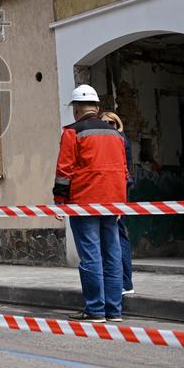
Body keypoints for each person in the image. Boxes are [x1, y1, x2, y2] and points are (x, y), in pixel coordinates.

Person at [53, 85, 129, 323]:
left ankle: (95, 309)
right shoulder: (116, 134)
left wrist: (59, 202)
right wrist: (121, 203)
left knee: (91, 256)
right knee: (112, 255)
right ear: (96, 108)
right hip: (112, 201)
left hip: (84, 202)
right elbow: (123, 171)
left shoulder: (72, 133)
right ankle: (114, 310)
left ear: (76, 109)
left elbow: (64, 171)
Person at [101, 111, 135, 295]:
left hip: (118, 194)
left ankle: (125, 282)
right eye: (104, 122)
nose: (107, 125)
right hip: (108, 194)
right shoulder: (107, 141)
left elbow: (125, 172)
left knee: (119, 237)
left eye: (111, 123)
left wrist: (120, 200)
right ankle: (119, 282)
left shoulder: (121, 141)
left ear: (118, 124)